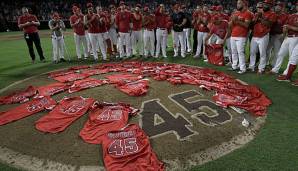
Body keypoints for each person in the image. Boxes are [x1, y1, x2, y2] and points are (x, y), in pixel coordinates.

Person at [248, 0, 276, 74]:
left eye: (267, 4)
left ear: (271, 5)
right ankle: (251, 67)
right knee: (252, 52)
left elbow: (269, 24)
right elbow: (252, 24)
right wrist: (254, 20)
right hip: (255, 35)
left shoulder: (272, 14)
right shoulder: (258, 13)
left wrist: (260, 18)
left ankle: (261, 69)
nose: (265, 5)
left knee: (262, 53)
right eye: (264, 3)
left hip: (263, 35)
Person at [270, 1, 298, 75]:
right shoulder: (292, 15)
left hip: (295, 38)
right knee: (280, 53)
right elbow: (285, 26)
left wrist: (289, 27)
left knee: (291, 56)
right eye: (297, 5)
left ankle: (286, 72)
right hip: (287, 37)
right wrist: (284, 34)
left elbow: (291, 27)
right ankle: (275, 69)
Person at [229, 0, 253, 74]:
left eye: (239, 3)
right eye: (237, 3)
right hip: (233, 34)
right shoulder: (236, 13)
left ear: (244, 4)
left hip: (241, 36)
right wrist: (232, 21)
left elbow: (246, 25)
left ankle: (243, 68)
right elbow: (231, 24)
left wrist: (237, 21)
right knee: (233, 52)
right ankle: (234, 66)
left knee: (240, 52)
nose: (237, 5)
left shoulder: (248, 13)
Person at [266, 2, 288, 68]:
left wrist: (283, 35)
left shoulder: (285, 16)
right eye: (276, 6)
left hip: (278, 35)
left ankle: (273, 65)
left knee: (276, 51)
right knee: (267, 50)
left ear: (282, 8)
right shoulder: (272, 14)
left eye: (279, 6)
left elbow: (286, 26)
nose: (277, 7)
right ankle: (265, 63)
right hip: (270, 34)